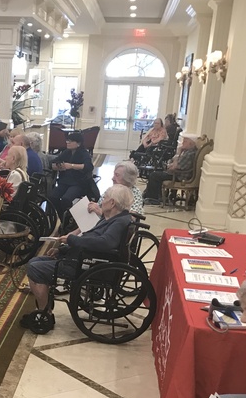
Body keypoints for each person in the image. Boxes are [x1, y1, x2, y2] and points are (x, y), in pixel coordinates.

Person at [21, 184, 133, 334]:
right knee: (35, 262)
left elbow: (104, 243)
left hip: (86, 264)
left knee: (35, 267)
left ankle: (44, 314)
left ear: (112, 203)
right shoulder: (114, 219)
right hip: (84, 258)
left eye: (105, 198)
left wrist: (72, 240)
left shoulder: (118, 222)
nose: (101, 201)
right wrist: (62, 249)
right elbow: (91, 239)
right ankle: (45, 308)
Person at [48, 131, 96, 218]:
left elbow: (89, 166)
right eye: (67, 140)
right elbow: (53, 162)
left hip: (78, 183)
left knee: (66, 199)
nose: (68, 142)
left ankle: (68, 218)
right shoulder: (67, 152)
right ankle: (62, 217)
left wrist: (71, 166)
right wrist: (58, 166)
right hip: (64, 181)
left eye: (70, 141)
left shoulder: (84, 153)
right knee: (52, 197)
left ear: (78, 143)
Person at [143, 133, 199, 204]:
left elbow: (174, 167)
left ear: (191, 143)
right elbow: (172, 162)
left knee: (154, 175)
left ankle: (153, 198)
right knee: (156, 172)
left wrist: (178, 153)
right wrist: (171, 164)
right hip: (177, 173)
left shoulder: (189, 154)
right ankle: (151, 195)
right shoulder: (187, 151)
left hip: (179, 176)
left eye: (185, 141)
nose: (182, 143)